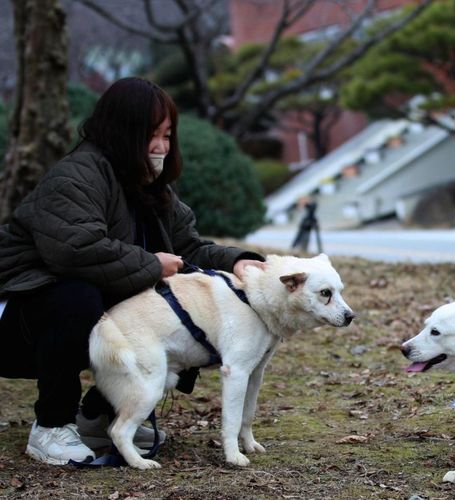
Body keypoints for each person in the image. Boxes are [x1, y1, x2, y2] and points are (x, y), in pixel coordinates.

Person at [0, 77, 266, 465]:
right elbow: (75, 252)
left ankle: (100, 416)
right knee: (80, 294)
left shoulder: (149, 187)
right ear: (122, 132)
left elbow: (189, 248)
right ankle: (51, 427)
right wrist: (152, 264)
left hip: (71, 321)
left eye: (167, 135)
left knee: (174, 303)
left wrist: (236, 261)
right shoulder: (75, 175)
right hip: (18, 321)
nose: (161, 147)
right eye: (150, 135)